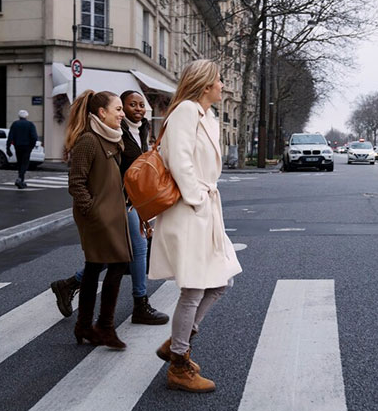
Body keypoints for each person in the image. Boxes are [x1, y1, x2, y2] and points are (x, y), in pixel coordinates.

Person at [150, 59, 242, 393]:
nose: (223, 85)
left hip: (204, 210)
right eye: (219, 80)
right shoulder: (187, 111)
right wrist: (196, 199)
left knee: (219, 281)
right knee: (195, 288)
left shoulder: (207, 117)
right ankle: (178, 364)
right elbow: (179, 159)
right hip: (190, 210)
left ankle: (177, 343)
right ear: (205, 85)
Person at [50, 91, 169, 326]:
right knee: (131, 251)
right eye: (127, 106)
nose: (136, 109)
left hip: (129, 200)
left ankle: (71, 285)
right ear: (113, 110)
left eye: (140, 105)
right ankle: (138, 305)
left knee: (121, 255)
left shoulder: (143, 128)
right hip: (113, 203)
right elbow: (79, 181)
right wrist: (94, 211)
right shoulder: (112, 133)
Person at [64, 89, 131, 349]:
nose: (122, 114)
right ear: (101, 113)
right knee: (118, 264)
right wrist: (92, 210)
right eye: (118, 109)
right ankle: (104, 326)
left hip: (113, 215)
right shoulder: (89, 141)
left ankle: (84, 325)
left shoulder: (112, 138)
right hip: (98, 217)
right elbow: (76, 183)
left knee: (94, 267)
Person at [7, 110, 38, 189]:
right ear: (27, 116)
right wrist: (32, 146)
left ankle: (21, 180)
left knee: (20, 163)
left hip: (18, 146)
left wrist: (8, 148)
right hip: (27, 146)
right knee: (25, 163)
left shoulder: (15, 124)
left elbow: (10, 136)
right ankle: (20, 179)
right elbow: (34, 137)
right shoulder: (30, 124)